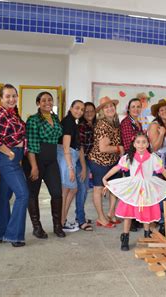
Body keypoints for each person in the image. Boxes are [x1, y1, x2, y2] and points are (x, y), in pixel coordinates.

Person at [102, 133, 166, 251]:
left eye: (144, 142)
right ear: (134, 144)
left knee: (146, 212)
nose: (141, 145)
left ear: (148, 144)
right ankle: (125, 237)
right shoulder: (128, 157)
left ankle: (147, 236)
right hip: (133, 188)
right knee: (128, 214)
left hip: (147, 188)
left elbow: (162, 170)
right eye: (138, 142)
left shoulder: (153, 157)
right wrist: (105, 177)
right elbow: (117, 168)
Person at [0, 84, 29, 247]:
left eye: (14, 96)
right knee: (23, 194)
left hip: (12, 158)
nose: (12, 99)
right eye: (8, 96)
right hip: (8, 159)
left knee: (5, 196)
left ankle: (2, 232)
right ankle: (14, 235)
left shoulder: (13, 114)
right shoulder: (0, 115)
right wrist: (10, 153)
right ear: (1, 98)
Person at [24, 92, 65, 239]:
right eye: (43, 100)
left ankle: (57, 226)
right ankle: (37, 227)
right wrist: (34, 167)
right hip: (36, 160)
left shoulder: (55, 117)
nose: (47, 102)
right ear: (38, 103)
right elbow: (31, 145)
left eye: (50, 100)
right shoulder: (33, 120)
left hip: (51, 161)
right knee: (33, 194)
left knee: (57, 193)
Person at [88, 96, 124, 228]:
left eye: (111, 106)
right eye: (106, 107)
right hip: (99, 161)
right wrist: (119, 148)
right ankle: (101, 218)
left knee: (114, 188)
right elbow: (103, 148)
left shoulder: (114, 121)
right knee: (98, 189)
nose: (110, 108)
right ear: (102, 111)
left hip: (112, 160)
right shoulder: (102, 124)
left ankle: (111, 214)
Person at [57, 100, 85, 233]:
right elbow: (66, 147)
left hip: (69, 157)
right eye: (77, 108)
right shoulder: (68, 122)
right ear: (71, 108)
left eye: (82, 109)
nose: (79, 111)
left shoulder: (72, 121)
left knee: (70, 190)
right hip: (66, 158)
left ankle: (62, 221)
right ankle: (61, 222)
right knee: (67, 190)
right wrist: (70, 168)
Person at [75, 102, 96, 231]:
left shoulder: (92, 124)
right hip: (80, 160)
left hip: (88, 160)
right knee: (82, 190)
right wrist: (83, 167)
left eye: (91, 111)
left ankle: (80, 216)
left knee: (85, 189)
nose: (89, 113)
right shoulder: (81, 126)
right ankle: (81, 220)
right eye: (86, 111)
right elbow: (80, 148)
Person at [148, 99, 166, 167]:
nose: (164, 111)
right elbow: (154, 148)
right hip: (156, 162)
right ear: (158, 113)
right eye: (161, 110)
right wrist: (161, 134)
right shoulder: (155, 125)